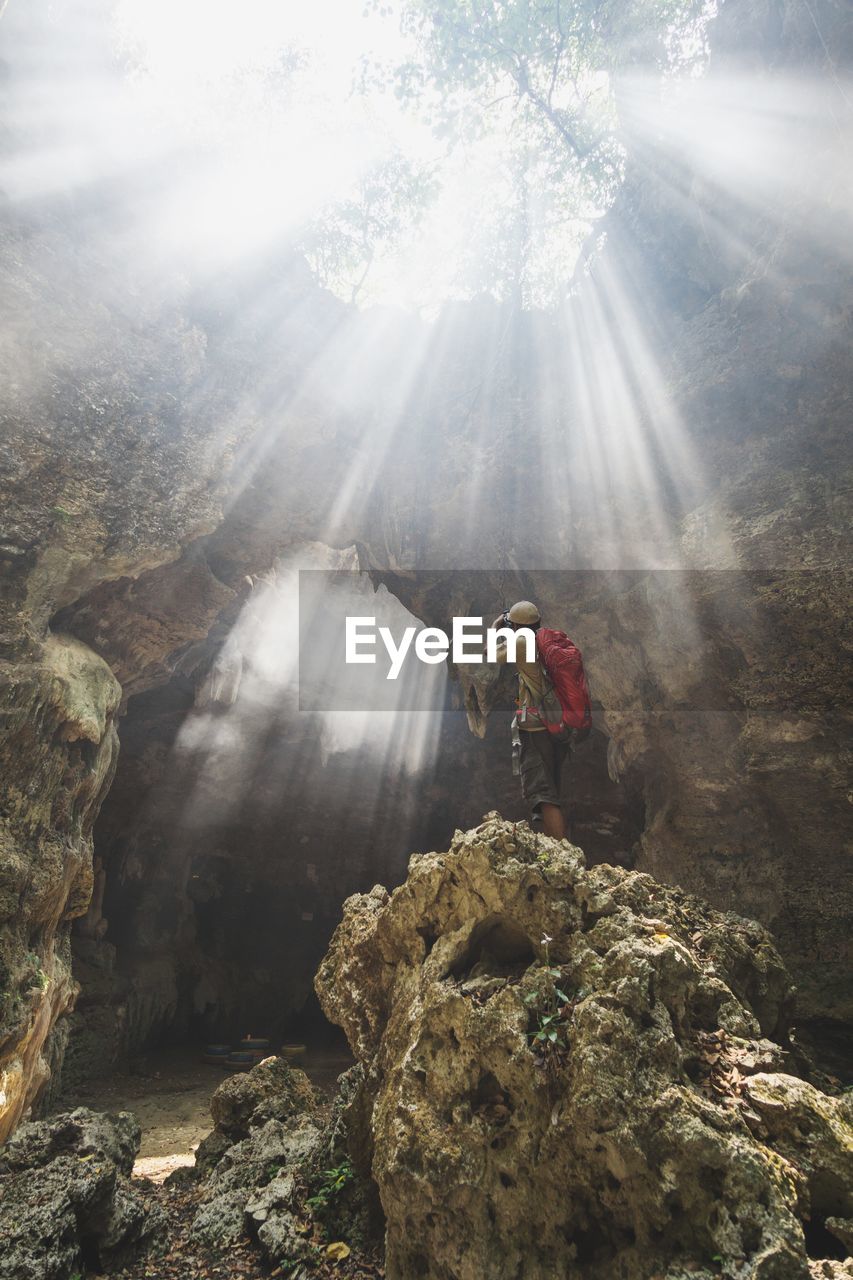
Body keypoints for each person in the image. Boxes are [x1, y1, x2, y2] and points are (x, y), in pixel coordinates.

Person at [488, 600, 570, 841]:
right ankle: (556, 849)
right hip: (556, 723)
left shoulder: (522, 642)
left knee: (544, 794)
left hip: (536, 729)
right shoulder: (546, 638)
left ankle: (559, 852)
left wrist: (496, 627)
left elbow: (490, 654)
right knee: (549, 790)